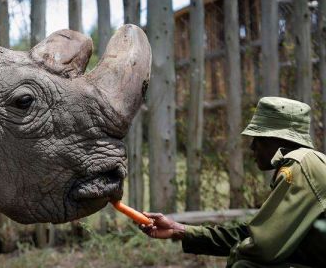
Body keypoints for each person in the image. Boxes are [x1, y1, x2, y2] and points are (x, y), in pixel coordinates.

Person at [140, 97, 326, 268]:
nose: (252, 146)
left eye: (259, 139)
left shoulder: (298, 165)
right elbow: (254, 233)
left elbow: (261, 247)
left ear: (278, 140)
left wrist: (236, 255)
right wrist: (178, 229)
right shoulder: (307, 163)